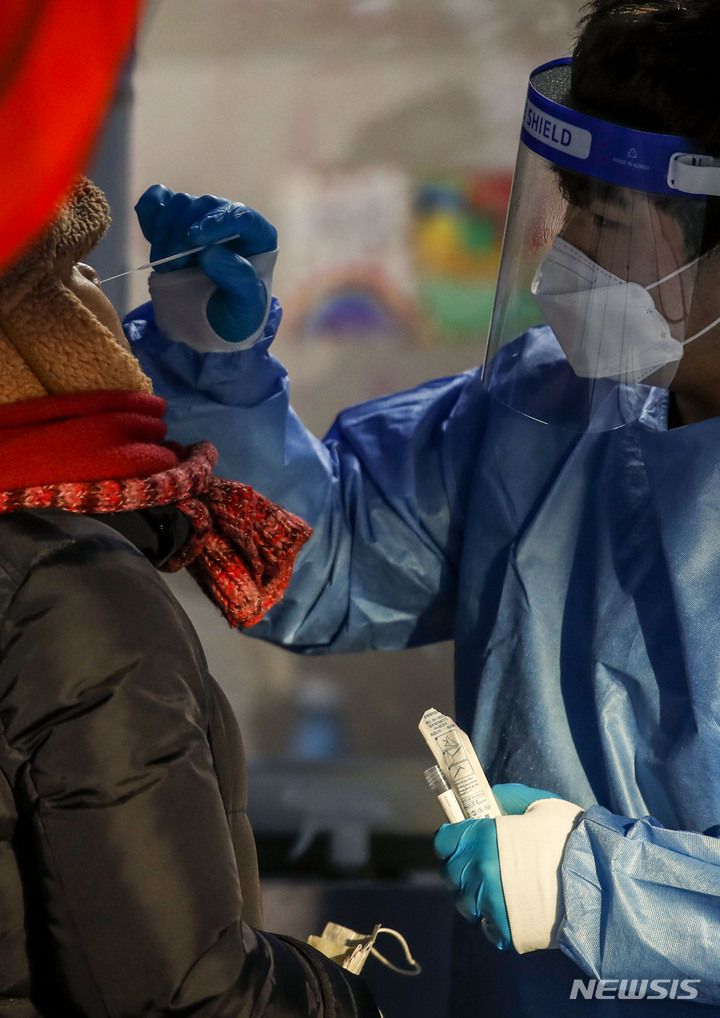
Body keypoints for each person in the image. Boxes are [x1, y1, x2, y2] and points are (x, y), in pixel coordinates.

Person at [125, 1, 720, 1013]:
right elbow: (322, 561)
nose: (561, 255)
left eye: (606, 222)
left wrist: (604, 890)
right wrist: (212, 362)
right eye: (567, 206)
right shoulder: (546, 410)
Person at [0, 177, 381, 1017]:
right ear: (41, 339)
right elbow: (185, 998)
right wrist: (345, 998)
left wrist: (203, 362)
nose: (108, 308)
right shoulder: (68, 597)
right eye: (82, 280)